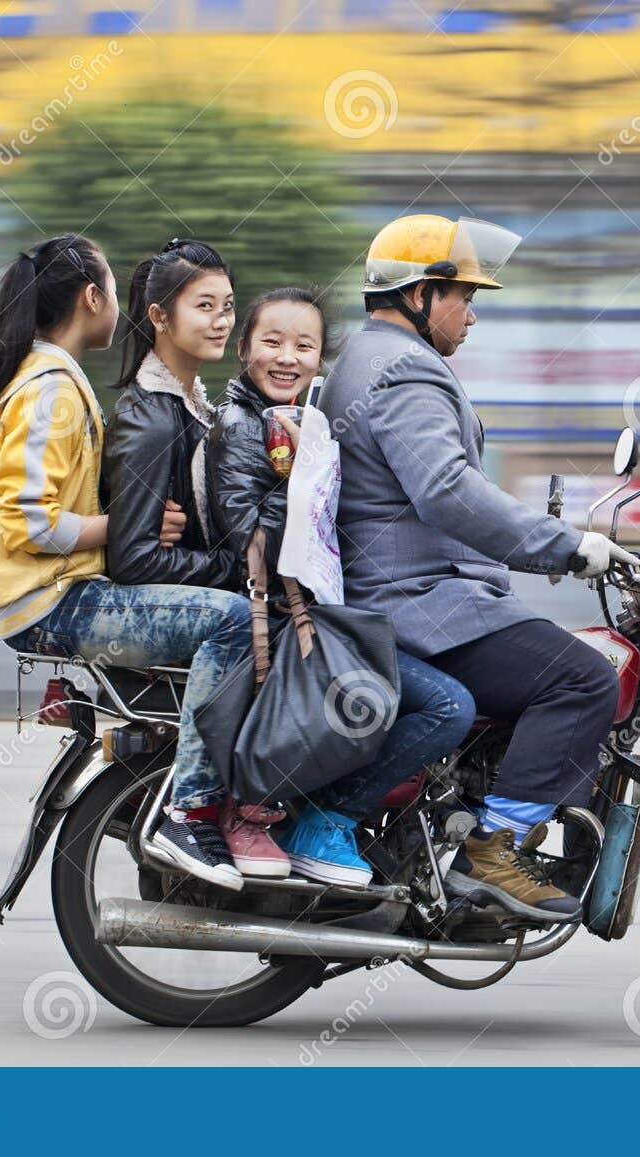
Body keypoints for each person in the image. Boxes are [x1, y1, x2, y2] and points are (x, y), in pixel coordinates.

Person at [316, 214, 633, 922]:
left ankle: (474, 825)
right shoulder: (405, 370)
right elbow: (447, 489)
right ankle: (493, 850)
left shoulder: (373, 359)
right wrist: (567, 544)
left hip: (418, 594)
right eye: (464, 296)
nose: (473, 313)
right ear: (421, 293)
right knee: (584, 677)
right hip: (417, 602)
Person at [0, 232, 263, 893]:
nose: (119, 303)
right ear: (92, 298)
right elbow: (27, 521)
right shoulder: (51, 387)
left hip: (52, 589)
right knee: (234, 621)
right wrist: (123, 526)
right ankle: (190, 808)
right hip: (50, 602)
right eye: (115, 289)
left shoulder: (43, 377)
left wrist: (126, 521)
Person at [207, 287, 476, 886]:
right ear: (244, 349)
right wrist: (305, 469)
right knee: (449, 706)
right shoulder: (245, 428)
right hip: (284, 624)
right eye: (272, 341)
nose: (288, 357)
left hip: (315, 612)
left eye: (304, 345)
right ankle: (327, 823)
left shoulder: (301, 421)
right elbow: (256, 545)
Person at [102, 238, 291, 880]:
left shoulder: (192, 407)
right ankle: (196, 808)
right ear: (159, 317)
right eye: (203, 306)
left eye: (228, 306)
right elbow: (134, 561)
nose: (220, 321)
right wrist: (236, 573)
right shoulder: (154, 419)